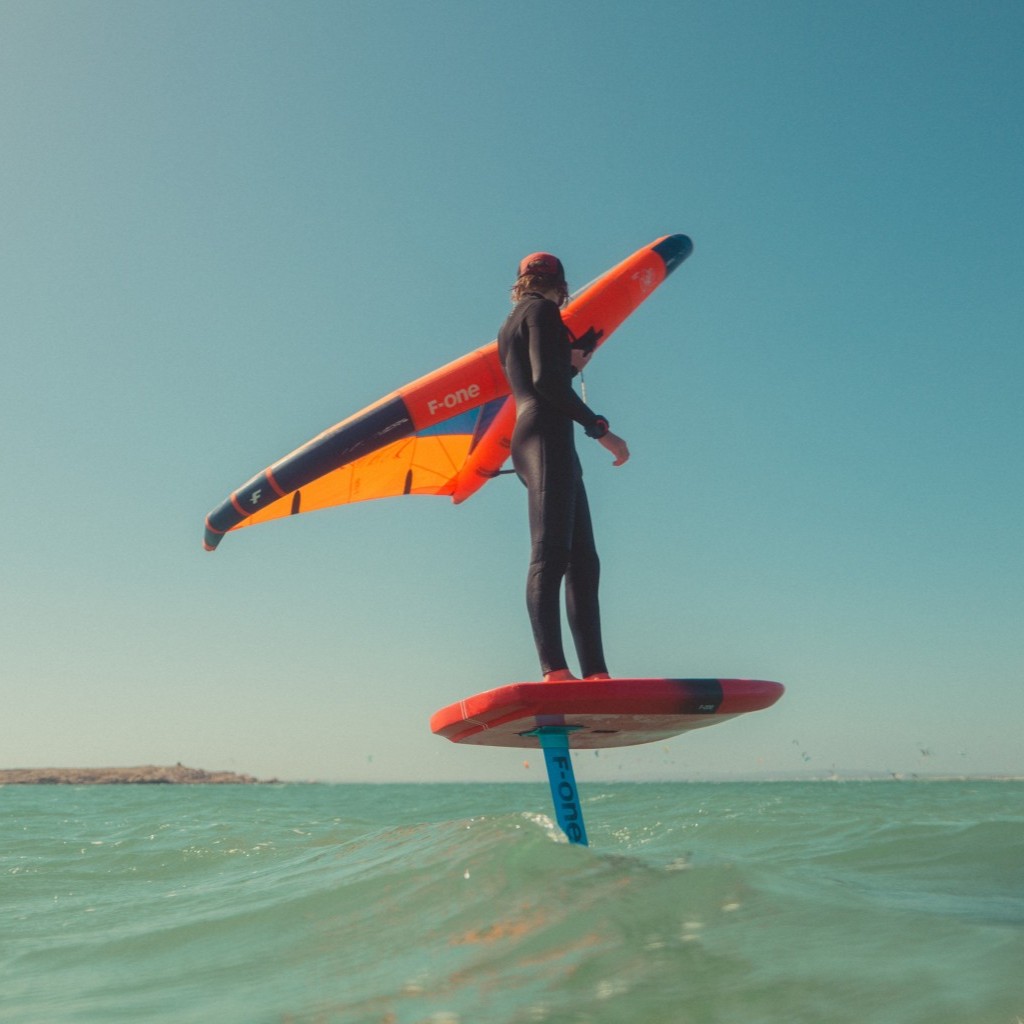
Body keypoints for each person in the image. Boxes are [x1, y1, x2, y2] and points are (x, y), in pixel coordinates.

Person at [497, 252, 630, 682]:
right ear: (563, 285)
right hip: (545, 436)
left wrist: (570, 367)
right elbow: (545, 383)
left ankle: (596, 674)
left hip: (544, 436)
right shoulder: (542, 312)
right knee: (552, 552)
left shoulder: (514, 320)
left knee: (583, 560)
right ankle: (555, 670)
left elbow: (545, 376)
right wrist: (600, 428)